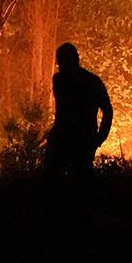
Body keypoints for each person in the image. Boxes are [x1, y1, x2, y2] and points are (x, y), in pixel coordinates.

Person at [46, 42, 112, 177]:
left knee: (53, 182)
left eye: (59, 63)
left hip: (64, 138)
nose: (59, 67)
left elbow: (107, 110)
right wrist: (99, 137)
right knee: (80, 181)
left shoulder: (59, 81)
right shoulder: (93, 82)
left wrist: (99, 138)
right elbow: (107, 110)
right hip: (84, 139)